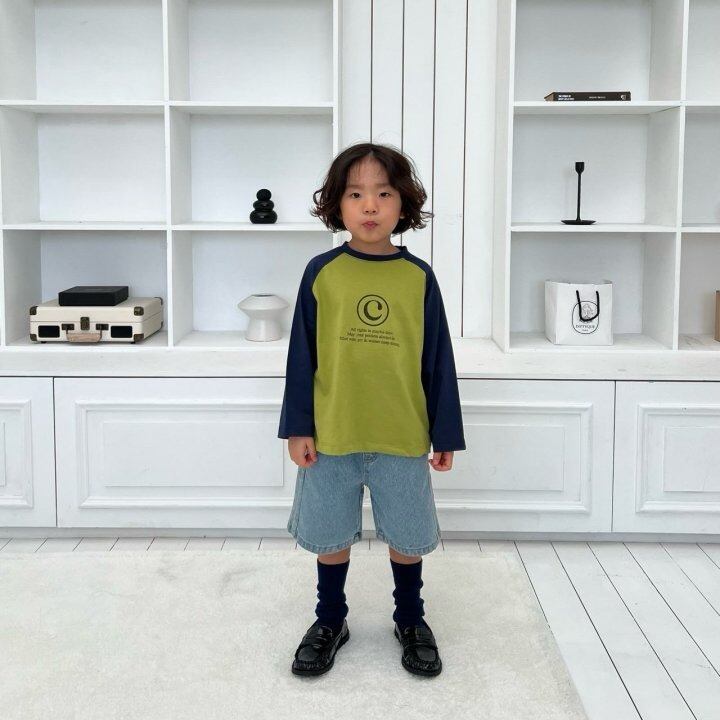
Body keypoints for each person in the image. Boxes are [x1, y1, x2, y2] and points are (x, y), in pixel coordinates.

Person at [277, 142, 465, 678]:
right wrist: (298, 427)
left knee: (407, 537)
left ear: (403, 204)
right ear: (336, 204)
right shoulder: (322, 271)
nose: (370, 206)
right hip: (332, 434)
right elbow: (301, 356)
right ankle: (330, 619)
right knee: (331, 535)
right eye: (356, 194)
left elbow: (438, 360)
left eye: (384, 194)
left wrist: (445, 433)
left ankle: (410, 619)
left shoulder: (419, 277)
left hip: (402, 435)